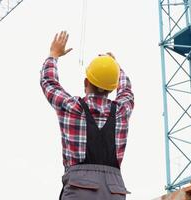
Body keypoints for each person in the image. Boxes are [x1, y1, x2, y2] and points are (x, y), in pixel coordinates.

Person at [40, 31, 134, 200]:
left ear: (86, 82)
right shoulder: (122, 111)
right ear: (113, 88)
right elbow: (126, 90)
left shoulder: (72, 108)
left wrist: (53, 54)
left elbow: (48, 82)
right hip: (115, 193)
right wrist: (116, 67)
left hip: (79, 190)